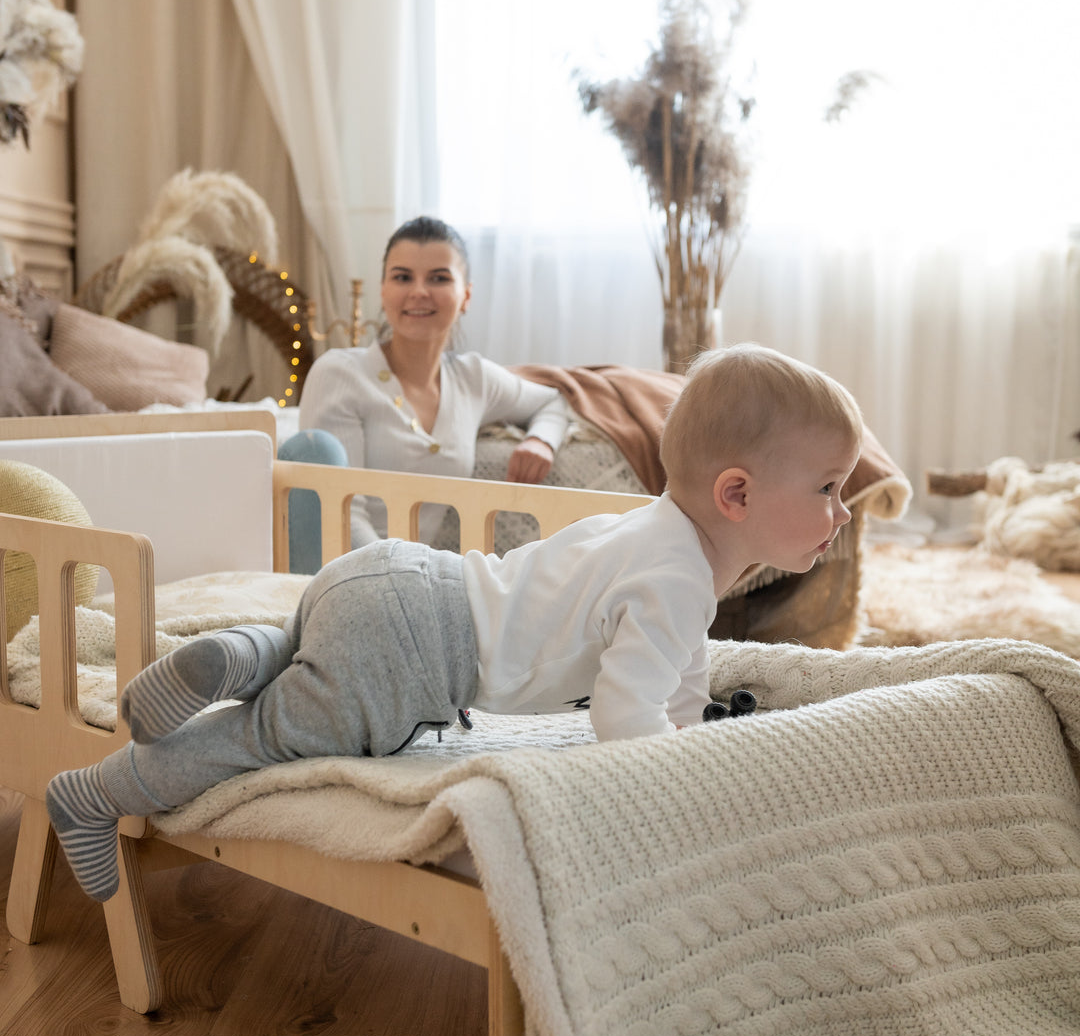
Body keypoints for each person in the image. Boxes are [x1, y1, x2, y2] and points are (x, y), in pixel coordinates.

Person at [46, 344, 863, 902]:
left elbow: (675, 680)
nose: (843, 509)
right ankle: (93, 793)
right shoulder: (680, 578)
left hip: (393, 576)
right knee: (260, 738)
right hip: (414, 656)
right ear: (737, 496)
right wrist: (690, 779)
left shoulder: (652, 529)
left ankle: (238, 651)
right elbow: (625, 715)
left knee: (310, 650)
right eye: (828, 486)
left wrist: (689, 731)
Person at [280, 216, 571, 569]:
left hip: (418, 576)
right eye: (403, 277)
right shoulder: (339, 374)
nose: (419, 291)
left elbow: (553, 401)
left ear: (466, 294)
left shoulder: (473, 378)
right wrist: (401, 577)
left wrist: (540, 440)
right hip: (349, 573)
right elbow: (343, 516)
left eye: (439, 278)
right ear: (383, 290)